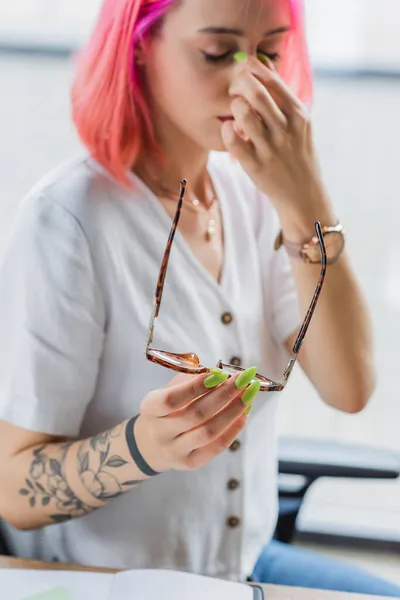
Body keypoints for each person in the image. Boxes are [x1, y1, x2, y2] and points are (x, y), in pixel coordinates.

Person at [0, 0, 398, 595]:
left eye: (271, 52)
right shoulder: (69, 219)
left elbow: (349, 388)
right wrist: (143, 446)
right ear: (139, 47)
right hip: (111, 580)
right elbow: (13, 491)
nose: (253, 81)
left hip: (244, 569)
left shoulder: (258, 199)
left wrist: (307, 198)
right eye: (219, 53)